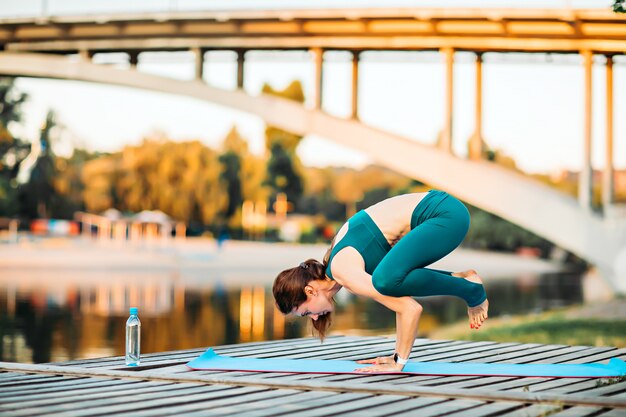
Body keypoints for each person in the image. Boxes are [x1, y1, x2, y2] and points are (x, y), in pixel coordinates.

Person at [272, 190, 489, 373]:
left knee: (384, 280)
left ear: (310, 291)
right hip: (445, 210)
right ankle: (463, 280)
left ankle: (470, 289)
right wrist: (396, 356)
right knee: (388, 280)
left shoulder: (344, 272)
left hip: (445, 215)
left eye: (306, 312)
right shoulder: (339, 265)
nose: (315, 316)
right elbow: (400, 298)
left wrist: (399, 364)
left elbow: (410, 309)